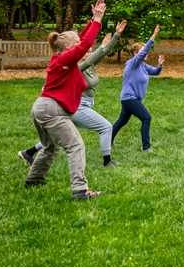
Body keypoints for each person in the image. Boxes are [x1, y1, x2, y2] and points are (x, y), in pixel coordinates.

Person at [23, 0, 107, 200]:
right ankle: (80, 190)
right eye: (76, 44)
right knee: (75, 145)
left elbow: (82, 40)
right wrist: (97, 21)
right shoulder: (65, 59)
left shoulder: (63, 57)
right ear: (68, 46)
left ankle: (33, 180)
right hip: (53, 110)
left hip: (42, 107)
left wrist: (91, 21)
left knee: (51, 147)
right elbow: (83, 44)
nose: (83, 47)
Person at [19, 20, 127, 168]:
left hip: (80, 106)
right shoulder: (76, 66)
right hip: (78, 107)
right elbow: (89, 59)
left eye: (90, 51)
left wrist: (116, 35)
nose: (89, 52)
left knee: (56, 137)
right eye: (87, 51)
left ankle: (28, 153)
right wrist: (99, 36)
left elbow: (104, 52)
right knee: (106, 127)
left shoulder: (90, 66)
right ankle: (107, 161)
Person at [111, 24, 164, 153]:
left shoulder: (143, 66)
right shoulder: (132, 64)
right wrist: (153, 37)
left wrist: (160, 66)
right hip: (129, 98)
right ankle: (146, 147)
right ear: (135, 54)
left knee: (121, 121)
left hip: (133, 99)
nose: (145, 54)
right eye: (141, 51)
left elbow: (155, 72)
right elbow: (144, 52)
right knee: (146, 118)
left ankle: (108, 140)